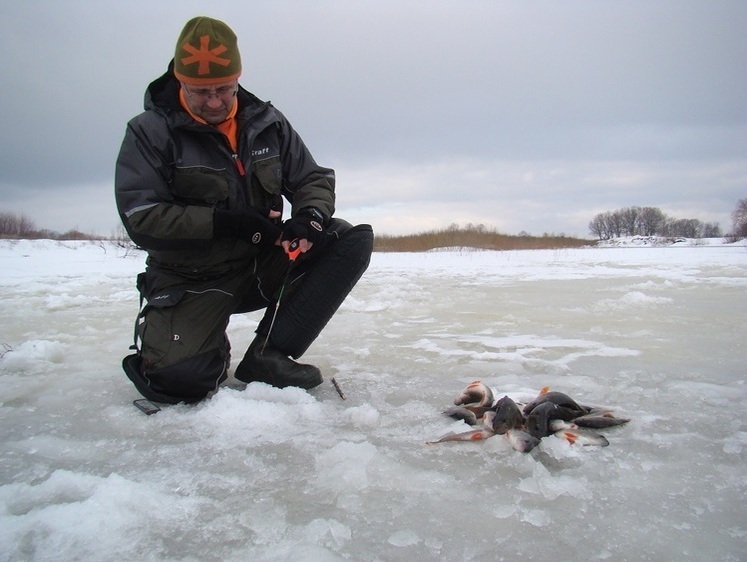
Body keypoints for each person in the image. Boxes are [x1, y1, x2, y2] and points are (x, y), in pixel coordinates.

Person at [115, 16, 373, 404]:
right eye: (201, 91)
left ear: (238, 77)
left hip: (261, 265)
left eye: (224, 88)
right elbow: (142, 217)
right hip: (192, 278)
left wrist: (309, 217)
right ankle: (198, 343)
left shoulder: (267, 123)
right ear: (179, 80)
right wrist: (228, 223)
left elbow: (312, 178)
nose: (215, 101)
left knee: (350, 239)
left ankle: (268, 353)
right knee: (182, 384)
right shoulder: (149, 132)